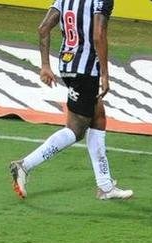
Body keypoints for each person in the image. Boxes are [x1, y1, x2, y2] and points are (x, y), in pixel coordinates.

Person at [9, 0, 132, 201]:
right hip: (86, 70)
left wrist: (45, 65)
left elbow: (43, 28)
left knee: (98, 116)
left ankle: (105, 186)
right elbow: (98, 34)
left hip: (67, 65)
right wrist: (104, 74)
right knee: (76, 130)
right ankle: (24, 165)